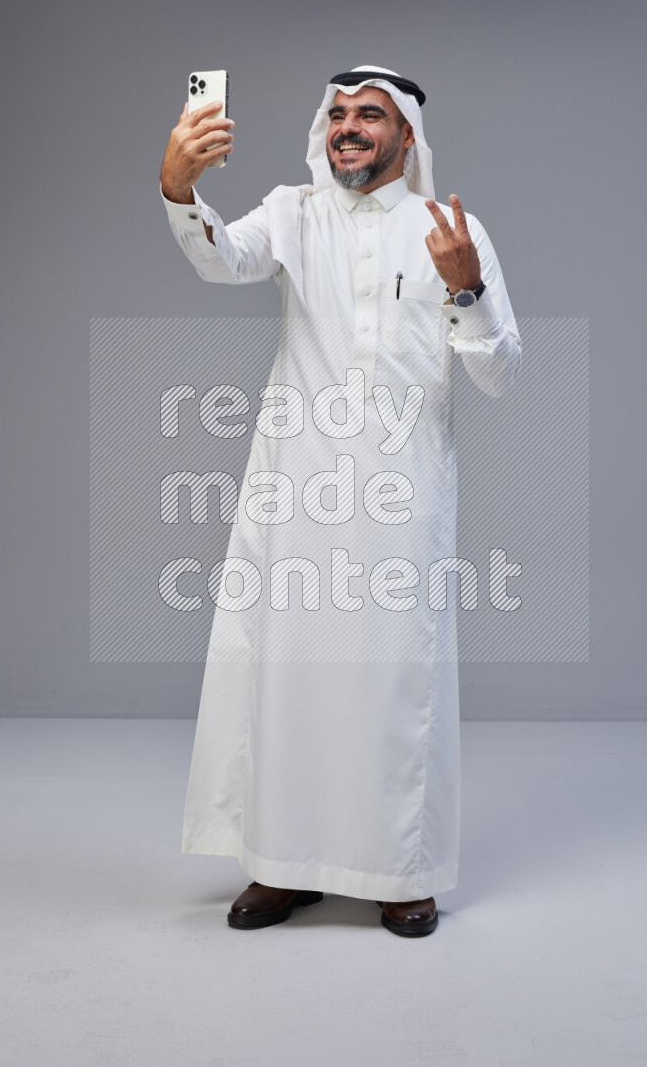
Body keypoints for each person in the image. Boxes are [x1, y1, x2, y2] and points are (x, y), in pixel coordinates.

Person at [159, 65, 521, 938]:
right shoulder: (295, 212)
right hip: (299, 486)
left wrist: (466, 287)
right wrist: (178, 187)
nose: (349, 128)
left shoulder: (453, 232)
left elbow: (500, 371)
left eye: (371, 116)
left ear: (407, 138)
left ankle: (402, 871)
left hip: (402, 496)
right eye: (339, 115)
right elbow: (224, 258)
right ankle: (283, 867)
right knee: (289, 675)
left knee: (395, 681)